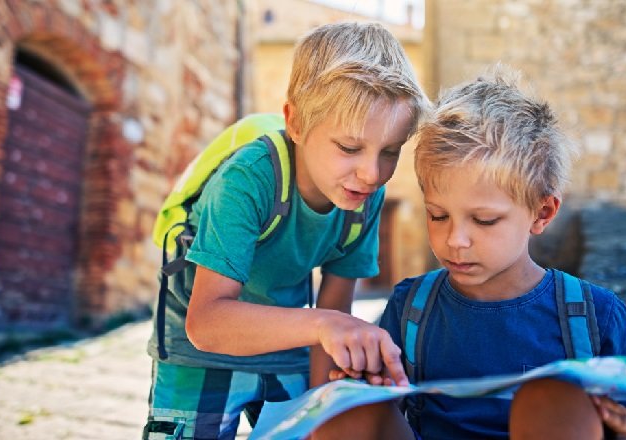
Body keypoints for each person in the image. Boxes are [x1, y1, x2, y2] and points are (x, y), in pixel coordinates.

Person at [313, 67, 626, 440]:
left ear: (542, 213)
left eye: (485, 220)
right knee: (344, 414)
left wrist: (622, 435)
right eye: (438, 215)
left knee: (552, 398)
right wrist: (367, 392)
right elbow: (385, 413)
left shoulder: (595, 316)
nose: (456, 240)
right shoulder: (411, 307)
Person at [143, 22, 431, 440]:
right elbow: (205, 323)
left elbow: (332, 316)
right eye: (349, 148)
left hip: (286, 346)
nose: (372, 174)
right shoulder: (248, 179)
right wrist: (323, 325)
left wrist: (321, 411)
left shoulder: (363, 198)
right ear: (294, 123)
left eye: (390, 151)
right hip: (199, 355)